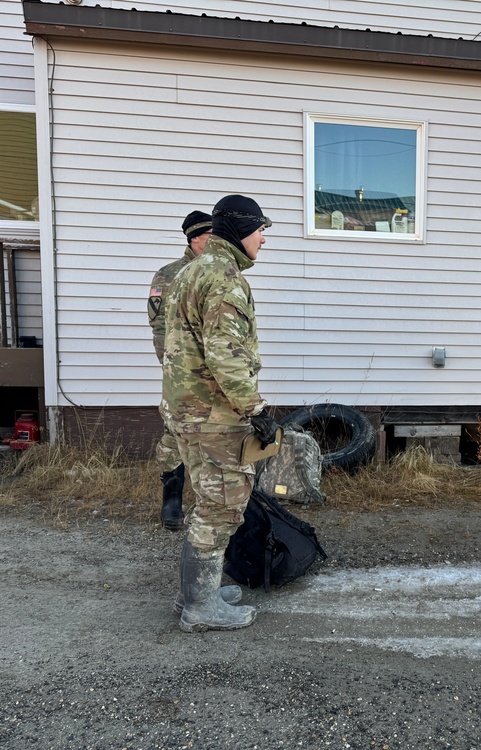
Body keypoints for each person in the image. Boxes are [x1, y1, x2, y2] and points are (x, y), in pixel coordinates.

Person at [161, 194, 278, 633]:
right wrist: (256, 410)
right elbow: (225, 356)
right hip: (215, 414)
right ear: (240, 230)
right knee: (222, 506)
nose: (264, 239)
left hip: (185, 410)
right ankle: (200, 608)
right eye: (261, 230)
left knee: (206, 502)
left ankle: (194, 594)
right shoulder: (224, 278)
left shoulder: (190, 271)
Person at [148, 210, 212, 531]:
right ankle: (172, 502)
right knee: (175, 434)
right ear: (194, 239)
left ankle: (213, 508)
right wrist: (177, 371)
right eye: (210, 236)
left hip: (216, 375)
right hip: (183, 373)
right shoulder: (169, 275)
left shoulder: (218, 272)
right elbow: (160, 329)